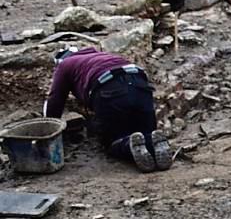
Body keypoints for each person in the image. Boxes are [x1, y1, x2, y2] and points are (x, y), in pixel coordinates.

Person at [44, 47, 172, 173]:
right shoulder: (102, 56)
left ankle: (128, 144)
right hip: (140, 85)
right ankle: (153, 141)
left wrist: (50, 128)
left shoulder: (64, 64)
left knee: (112, 142)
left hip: (109, 89)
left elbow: (55, 99)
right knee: (145, 131)